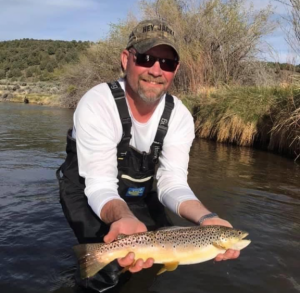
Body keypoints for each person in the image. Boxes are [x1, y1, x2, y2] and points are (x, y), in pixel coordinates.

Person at [57, 19, 240, 292]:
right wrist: (123, 218)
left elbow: (171, 183)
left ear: (175, 70)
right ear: (125, 59)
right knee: (105, 268)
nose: (156, 70)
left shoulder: (179, 117)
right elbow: (99, 185)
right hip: (87, 188)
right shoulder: (98, 104)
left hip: (138, 190)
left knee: (155, 259)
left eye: (166, 63)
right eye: (146, 58)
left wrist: (207, 219)